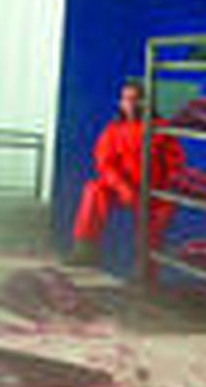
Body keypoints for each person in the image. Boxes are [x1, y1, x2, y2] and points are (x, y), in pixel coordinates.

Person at [72, 79, 186, 264]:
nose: (130, 104)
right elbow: (104, 164)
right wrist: (121, 186)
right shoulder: (114, 130)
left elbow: (176, 166)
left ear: (146, 103)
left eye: (135, 99)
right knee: (93, 190)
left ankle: (145, 269)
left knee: (156, 222)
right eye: (126, 99)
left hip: (152, 192)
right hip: (121, 189)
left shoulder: (161, 129)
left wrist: (164, 194)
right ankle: (85, 249)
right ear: (120, 103)